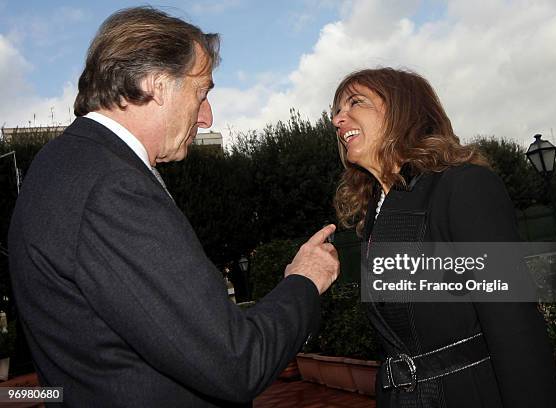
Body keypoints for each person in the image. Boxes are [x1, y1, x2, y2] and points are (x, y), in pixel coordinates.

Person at [8, 7, 339, 407]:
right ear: (156, 84)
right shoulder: (112, 189)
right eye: (202, 92)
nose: (207, 116)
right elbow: (236, 362)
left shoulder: (67, 163)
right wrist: (304, 282)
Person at [331, 68, 556, 407]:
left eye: (356, 102)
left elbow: (515, 328)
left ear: (403, 110)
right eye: (336, 111)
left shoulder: (464, 187)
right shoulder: (375, 217)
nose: (339, 119)